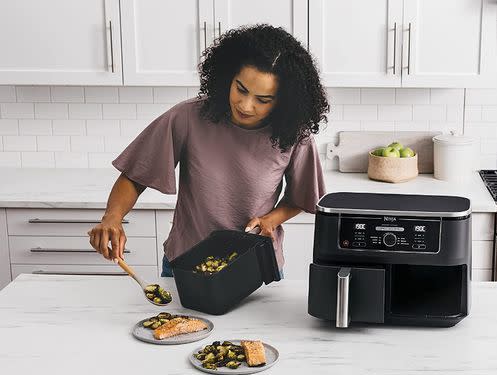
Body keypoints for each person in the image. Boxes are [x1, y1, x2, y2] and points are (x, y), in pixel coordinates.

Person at [88, 24, 329, 277]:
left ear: (284, 101)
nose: (246, 106)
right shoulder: (188, 117)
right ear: (228, 76)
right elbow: (135, 175)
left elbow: (300, 198)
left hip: (255, 265)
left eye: (263, 100)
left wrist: (271, 219)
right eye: (241, 89)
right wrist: (112, 217)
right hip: (186, 261)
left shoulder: (295, 135)